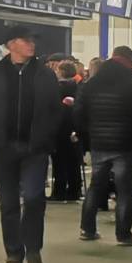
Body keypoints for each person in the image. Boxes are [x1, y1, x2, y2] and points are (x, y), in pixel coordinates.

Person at [0, 26, 62, 263]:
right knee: (9, 204)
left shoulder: (45, 75)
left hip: (35, 149)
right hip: (2, 148)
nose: (31, 44)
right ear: (11, 44)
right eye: (26, 40)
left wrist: (47, 134)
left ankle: (33, 251)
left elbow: (55, 109)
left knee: (34, 198)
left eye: (33, 40)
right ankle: (13, 255)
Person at [75, 46, 132, 246]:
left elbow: (79, 112)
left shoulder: (91, 83)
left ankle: (87, 229)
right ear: (130, 60)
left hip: (99, 143)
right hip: (127, 144)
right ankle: (124, 235)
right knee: (125, 190)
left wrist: (87, 134)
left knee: (95, 186)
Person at [50, 60, 84, 203]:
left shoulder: (57, 89)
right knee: (74, 161)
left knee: (59, 162)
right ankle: (74, 190)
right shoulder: (79, 87)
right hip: (75, 128)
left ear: (62, 72)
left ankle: (59, 191)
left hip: (60, 129)